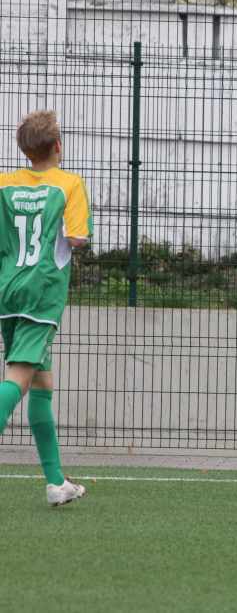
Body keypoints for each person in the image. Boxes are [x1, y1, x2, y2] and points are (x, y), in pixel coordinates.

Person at [0, 110, 92, 506]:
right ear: (57, 145)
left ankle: (57, 483)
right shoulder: (69, 184)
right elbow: (77, 238)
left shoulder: (4, 185)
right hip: (42, 294)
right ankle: (56, 482)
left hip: (9, 290)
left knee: (41, 384)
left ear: (25, 149)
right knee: (19, 377)